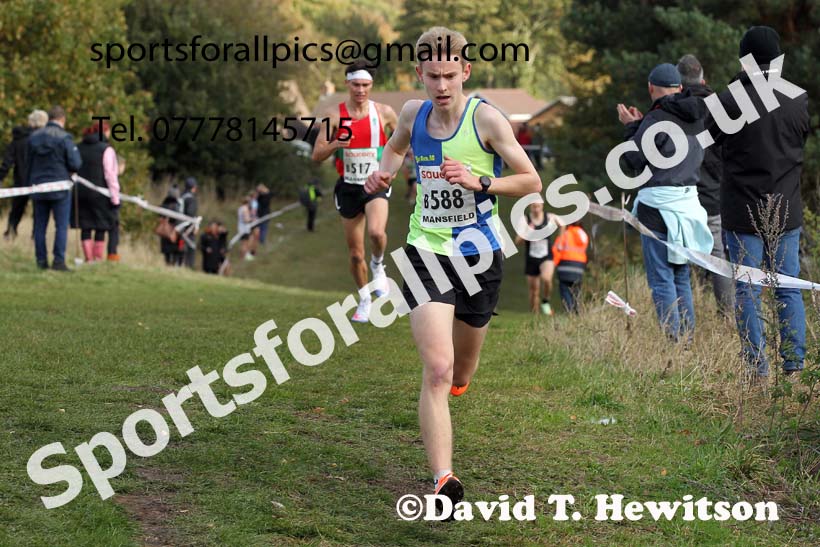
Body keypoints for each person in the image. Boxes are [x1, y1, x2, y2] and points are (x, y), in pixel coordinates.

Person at [365, 26, 541, 509]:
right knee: (438, 368)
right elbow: (398, 147)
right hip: (425, 252)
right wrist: (386, 171)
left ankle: (462, 379)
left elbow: (531, 181)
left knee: (462, 368)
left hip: (479, 257)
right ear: (419, 74)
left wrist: (482, 181)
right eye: (431, 76)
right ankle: (443, 479)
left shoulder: (486, 120)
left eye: (449, 75)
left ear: (465, 71)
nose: (441, 86)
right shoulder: (412, 113)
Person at [709, 27, 809, 377]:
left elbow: (710, 142)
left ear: (744, 59)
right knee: (789, 287)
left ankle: (757, 369)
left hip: (742, 211)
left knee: (746, 291)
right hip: (786, 210)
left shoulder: (729, 101)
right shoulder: (798, 98)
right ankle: (795, 367)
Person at [616, 63, 713, 342]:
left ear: (650, 88)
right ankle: (688, 340)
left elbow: (632, 161)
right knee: (680, 276)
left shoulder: (657, 119)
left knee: (661, 278)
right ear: (680, 88)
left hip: (658, 206)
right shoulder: (697, 115)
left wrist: (629, 128)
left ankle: (673, 341)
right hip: (688, 204)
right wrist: (639, 125)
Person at [312, 59, 399, 323]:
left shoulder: (384, 113)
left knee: (376, 232)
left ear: (371, 85)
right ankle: (364, 299)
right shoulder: (334, 116)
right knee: (354, 253)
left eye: (365, 85)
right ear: (347, 84)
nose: (360, 90)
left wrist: (391, 172)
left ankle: (378, 265)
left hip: (375, 185)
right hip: (348, 186)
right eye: (356, 85)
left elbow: (402, 145)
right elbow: (317, 154)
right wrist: (336, 142)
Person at [677, 54, 733, 317]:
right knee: (718, 255)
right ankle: (726, 314)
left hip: (683, 194)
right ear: (704, 79)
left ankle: (687, 316)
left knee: (681, 255)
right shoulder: (722, 107)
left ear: (679, 84)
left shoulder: (672, 109)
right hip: (714, 193)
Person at [26, 105, 82, 271]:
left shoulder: (33, 138)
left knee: (39, 227)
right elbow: (76, 163)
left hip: (38, 187)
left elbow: (27, 163)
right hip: (60, 188)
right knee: (61, 226)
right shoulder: (65, 138)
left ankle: (41, 261)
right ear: (62, 120)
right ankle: (58, 261)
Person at [71, 122, 120, 262]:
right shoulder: (107, 149)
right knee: (101, 226)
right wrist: (115, 198)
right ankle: (97, 258)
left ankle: (88, 258)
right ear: (104, 132)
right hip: (100, 195)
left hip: (79, 193)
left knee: (85, 226)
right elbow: (110, 175)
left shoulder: (78, 147)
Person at [1, 109, 47, 240]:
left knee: (17, 209)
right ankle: (36, 236)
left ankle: (10, 232)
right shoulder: (44, 140)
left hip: (21, 179)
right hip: (39, 180)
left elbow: (7, 161)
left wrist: (1, 177)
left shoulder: (18, 140)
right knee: (39, 210)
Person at [513, 201, 558, 315]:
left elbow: (563, 224)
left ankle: (546, 301)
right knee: (534, 291)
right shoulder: (525, 219)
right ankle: (535, 315)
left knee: (547, 279)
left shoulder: (549, 217)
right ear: (530, 207)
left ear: (542, 206)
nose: (536, 209)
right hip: (531, 257)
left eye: (538, 206)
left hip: (546, 256)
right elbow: (517, 241)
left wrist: (560, 242)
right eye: (534, 207)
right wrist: (527, 232)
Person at [552, 221, 589, 313]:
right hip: (579, 268)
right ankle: (577, 311)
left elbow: (556, 250)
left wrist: (553, 264)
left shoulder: (565, 234)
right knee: (576, 291)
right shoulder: (584, 235)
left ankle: (569, 311)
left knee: (565, 289)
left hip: (565, 267)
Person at [108, 154, 126, 261]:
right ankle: (112, 254)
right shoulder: (114, 178)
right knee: (113, 232)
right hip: (112, 209)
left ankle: (112, 254)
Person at [159, 185, 183, 266]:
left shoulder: (164, 203)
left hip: (165, 231)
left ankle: (168, 264)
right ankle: (172, 264)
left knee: (167, 252)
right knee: (174, 250)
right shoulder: (176, 204)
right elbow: (178, 219)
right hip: (172, 230)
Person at [181, 177, 198, 268]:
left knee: (180, 246)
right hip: (188, 229)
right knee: (191, 248)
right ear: (194, 187)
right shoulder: (191, 199)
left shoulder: (181, 196)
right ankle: (188, 266)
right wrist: (194, 227)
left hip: (179, 226)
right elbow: (190, 214)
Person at [237, 194, 256, 261]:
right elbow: (246, 220)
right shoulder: (245, 208)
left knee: (243, 243)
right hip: (244, 229)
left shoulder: (241, 208)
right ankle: (243, 257)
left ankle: (242, 257)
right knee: (245, 244)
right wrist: (252, 220)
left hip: (241, 228)